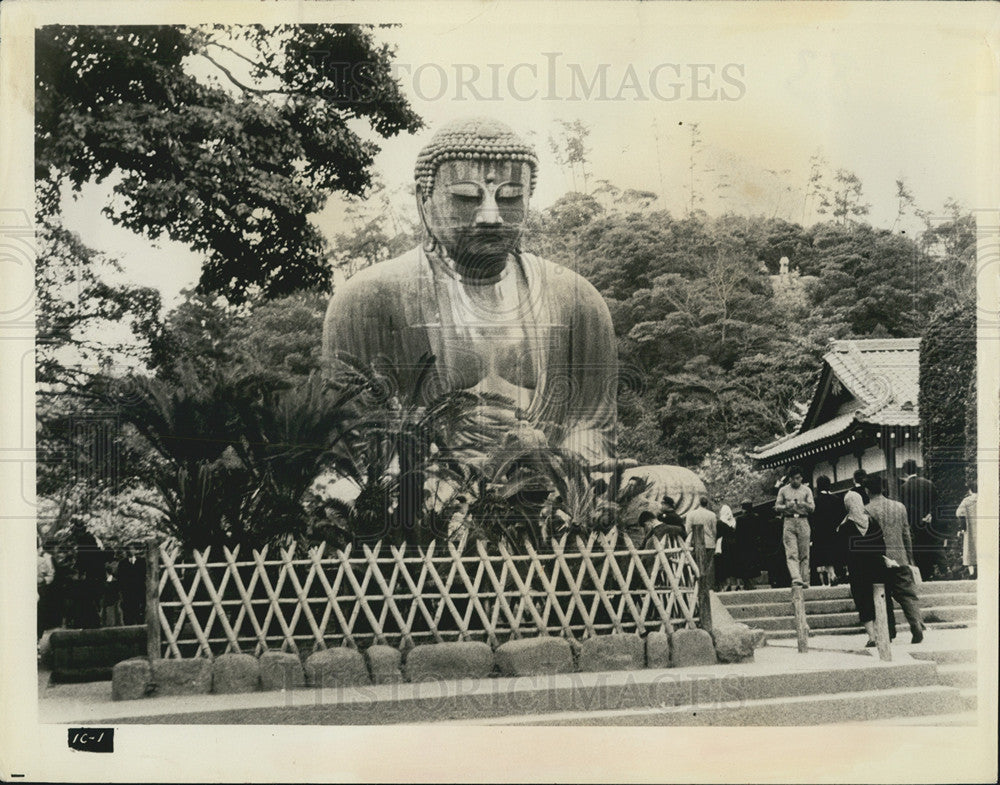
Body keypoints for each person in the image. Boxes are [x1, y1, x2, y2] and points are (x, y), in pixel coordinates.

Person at [323, 117, 618, 470]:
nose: (491, 216)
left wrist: (550, 459)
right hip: (428, 487)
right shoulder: (367, 298)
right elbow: (353, 441)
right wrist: (440, 457)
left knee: (676, 486)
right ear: (424, 200)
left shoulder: (574, 298)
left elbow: (593, 427)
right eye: (466, 197)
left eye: (510, 198)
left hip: (544, 482)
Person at [866, 476, 925, 643]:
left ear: (867, 491)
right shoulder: (899, 507)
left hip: (879, 560)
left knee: (882, 596)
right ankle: (916, 623)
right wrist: (909, 557)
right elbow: (906, 534)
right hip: (900, 557)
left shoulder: (867, 510)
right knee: (907, 594)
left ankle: (889, 631)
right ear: (883, 488)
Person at [839, 487, 895, 647]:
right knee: (881, 599)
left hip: (858, 570)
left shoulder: (845, 527)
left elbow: (843, 552)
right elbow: (881, 546)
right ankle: (884, 632)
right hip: (877, 567)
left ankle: (872, 636)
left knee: (863, 601)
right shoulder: (872, 522)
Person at [774, 466, 815, 587]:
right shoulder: (783, 490)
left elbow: (812, 507)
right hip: (789, 520)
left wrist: (804, 504)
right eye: (792, 479)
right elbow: (777, 506)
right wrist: (787, 506)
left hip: (803, 520)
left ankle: (805, 579)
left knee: (804, 552)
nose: (795, 481)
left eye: (797, 478)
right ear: (789, 479)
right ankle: (796, 577)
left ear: (801, 478)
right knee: (791, 552)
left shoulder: (807, 490)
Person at [900, 459, 941, 581]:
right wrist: (930, 514)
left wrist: (918, 517)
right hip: (929, 521)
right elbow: (936, 502)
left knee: (917, 548)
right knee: (930, 545)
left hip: (914, 523)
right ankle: (931, 572)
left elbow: (905, 507)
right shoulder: (928, 483)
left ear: (906, 472)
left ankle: (921, 574)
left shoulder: (904, 488)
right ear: (916, 469)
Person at [811, 476, 843, 586]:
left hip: (820, 533)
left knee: (824, 557)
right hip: (834, 532)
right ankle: (834, 575)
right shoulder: (837, 499)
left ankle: (832, 575)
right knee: (834, 555)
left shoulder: (815, 501)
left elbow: (812, 519)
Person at [685, 495, 718, 591]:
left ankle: (698, 586)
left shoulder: (691, 514)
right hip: (710, 543)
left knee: (697, 565)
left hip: (696, 542)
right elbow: (714, 530)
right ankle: (709, 587)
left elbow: (688, 529)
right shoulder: (712, 515)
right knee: (709, 566)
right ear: (707, 503)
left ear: (698, 502)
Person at [117, 546, 147, 625]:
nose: (129, 551)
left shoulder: (141, 562)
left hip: (139, 591)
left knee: (140, 613)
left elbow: (144, 575)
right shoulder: (122, 563)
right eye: (128, 550)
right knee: (128, 613)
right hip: (127, 592)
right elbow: (120, 578)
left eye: (131, 549)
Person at [955, 480, 977, 578]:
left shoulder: (967, 501)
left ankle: (972, 573)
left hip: (971, 529)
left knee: (970, 549)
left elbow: (959, 513)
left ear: (970, 490)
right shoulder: (987, 498)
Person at [715, 503, 737, 591]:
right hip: (734, 544)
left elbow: (718, 534)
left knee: (725, 563)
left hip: (724, 544)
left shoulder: (720, 522)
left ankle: (727, 584)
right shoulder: (734, 521)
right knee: (734, 563)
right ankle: (735, 584)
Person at [37, 536, 55, 639]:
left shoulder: (42, 559)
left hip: (40, 588)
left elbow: (50, 575)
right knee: (40, 614)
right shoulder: (43, 559)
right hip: (41, 587)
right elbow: (51, 575)